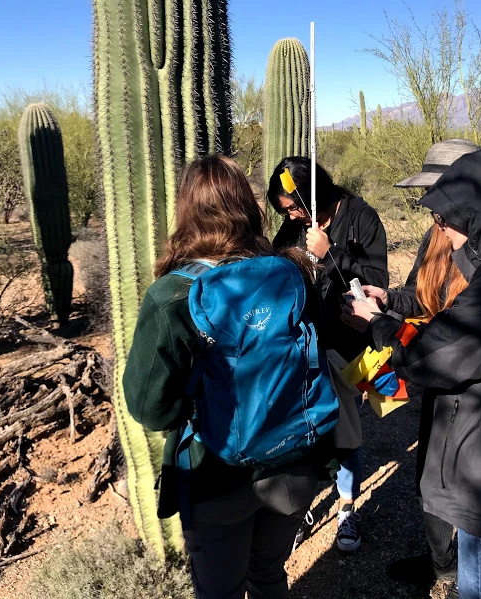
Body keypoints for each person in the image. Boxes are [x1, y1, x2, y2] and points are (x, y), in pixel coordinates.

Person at [123, 155, 343, 599]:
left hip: (215, 475)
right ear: (248, 207)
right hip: (292, 462)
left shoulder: (170, 296)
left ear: (187, 211)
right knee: (268, 575)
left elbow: (149, 408)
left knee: (219, 590)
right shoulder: (290, 272)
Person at [342, 150, 481, 599]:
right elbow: (435, 310)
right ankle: (443, 563)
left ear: (470, 206)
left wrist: (376, 324)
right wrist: (393, 306)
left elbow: (435, 356)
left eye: (443, 213)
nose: (438, 225)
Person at [368, 139, 481, 596]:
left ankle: (471, 576)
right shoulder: (436, 235)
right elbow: (421, 296)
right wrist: (386, 299)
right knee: (430, 477)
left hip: (471, 383)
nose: (433, 210)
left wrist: (384, 328)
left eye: (439, 196)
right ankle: (443, 564)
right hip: (435, 368)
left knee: (469, 483)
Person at [268, 156, 388, 552]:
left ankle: (347, 507)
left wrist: (332, 253)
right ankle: (303, 503)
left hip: (347, 348)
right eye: (286, 211)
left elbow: (377, 286)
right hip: (303, 350)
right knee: (305, 433)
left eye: (295, 206)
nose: (293, 216)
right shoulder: (293, 229)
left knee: (346, 432)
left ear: (312, 191)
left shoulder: (361, 217)